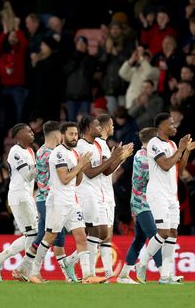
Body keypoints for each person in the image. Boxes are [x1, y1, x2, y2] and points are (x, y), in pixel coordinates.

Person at [29, 122, 104, 284]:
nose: (74, 137)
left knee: (82, 237)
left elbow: (76, 181)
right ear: (63, 135)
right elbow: (64, 179)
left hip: (72, 201)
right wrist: (79, 166)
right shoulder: (59, 154)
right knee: (50, 237)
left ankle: (87, 276)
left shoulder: (75, 153)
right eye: (71, 134)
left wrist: (80, 168)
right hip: (58, 202)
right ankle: (34, 271)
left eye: (76, 134)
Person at [135, 112, 195, 284]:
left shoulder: (172, 144)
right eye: (171, 124)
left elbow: (180, 166)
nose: (175, 127)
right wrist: (180, 149)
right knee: (163, 232)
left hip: (172, 194)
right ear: (162, 126)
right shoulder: (154, 144)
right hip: (158, 194)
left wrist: (185, 150)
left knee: (172, 233)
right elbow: (165, 165)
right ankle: (142, 262)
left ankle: (165, 276)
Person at [18, 121, 75, 282]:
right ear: (57, 134)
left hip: (45, 199)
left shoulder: (42, 151)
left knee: (44, 236)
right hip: (49, 199)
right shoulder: (51, 153)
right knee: (56, 237)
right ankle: (66, 275)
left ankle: (22, 268)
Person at [76, 115, 131, 280]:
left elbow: (107, 170)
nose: (99, 128)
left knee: (103, 234)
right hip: (87, 192)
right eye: (96, 125)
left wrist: (120, 159)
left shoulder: (100, 145)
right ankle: (88, 271)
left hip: (103, 193)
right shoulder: (83, 145)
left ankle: (104, 274)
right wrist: (116, 158)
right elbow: (92, 173)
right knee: (98, 233)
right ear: (88, 128)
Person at [0, 123, 38, 280]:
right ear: (19, 136)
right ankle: (26, 271)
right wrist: (42, 164)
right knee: (33, 234)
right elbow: (28, 175)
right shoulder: (15, 152)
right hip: (19, 196)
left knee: (31, 234)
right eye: (28, 131)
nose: (32, 133)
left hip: (27, 195)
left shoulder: (30, 151)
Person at [117, 127, 163, 284]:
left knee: (139, 240)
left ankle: (124, 274)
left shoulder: (144, 155)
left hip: (145, 202)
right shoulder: (144, 157)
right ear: (153, 140)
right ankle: (165, 274)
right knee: (155, 236)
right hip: (142, 203)